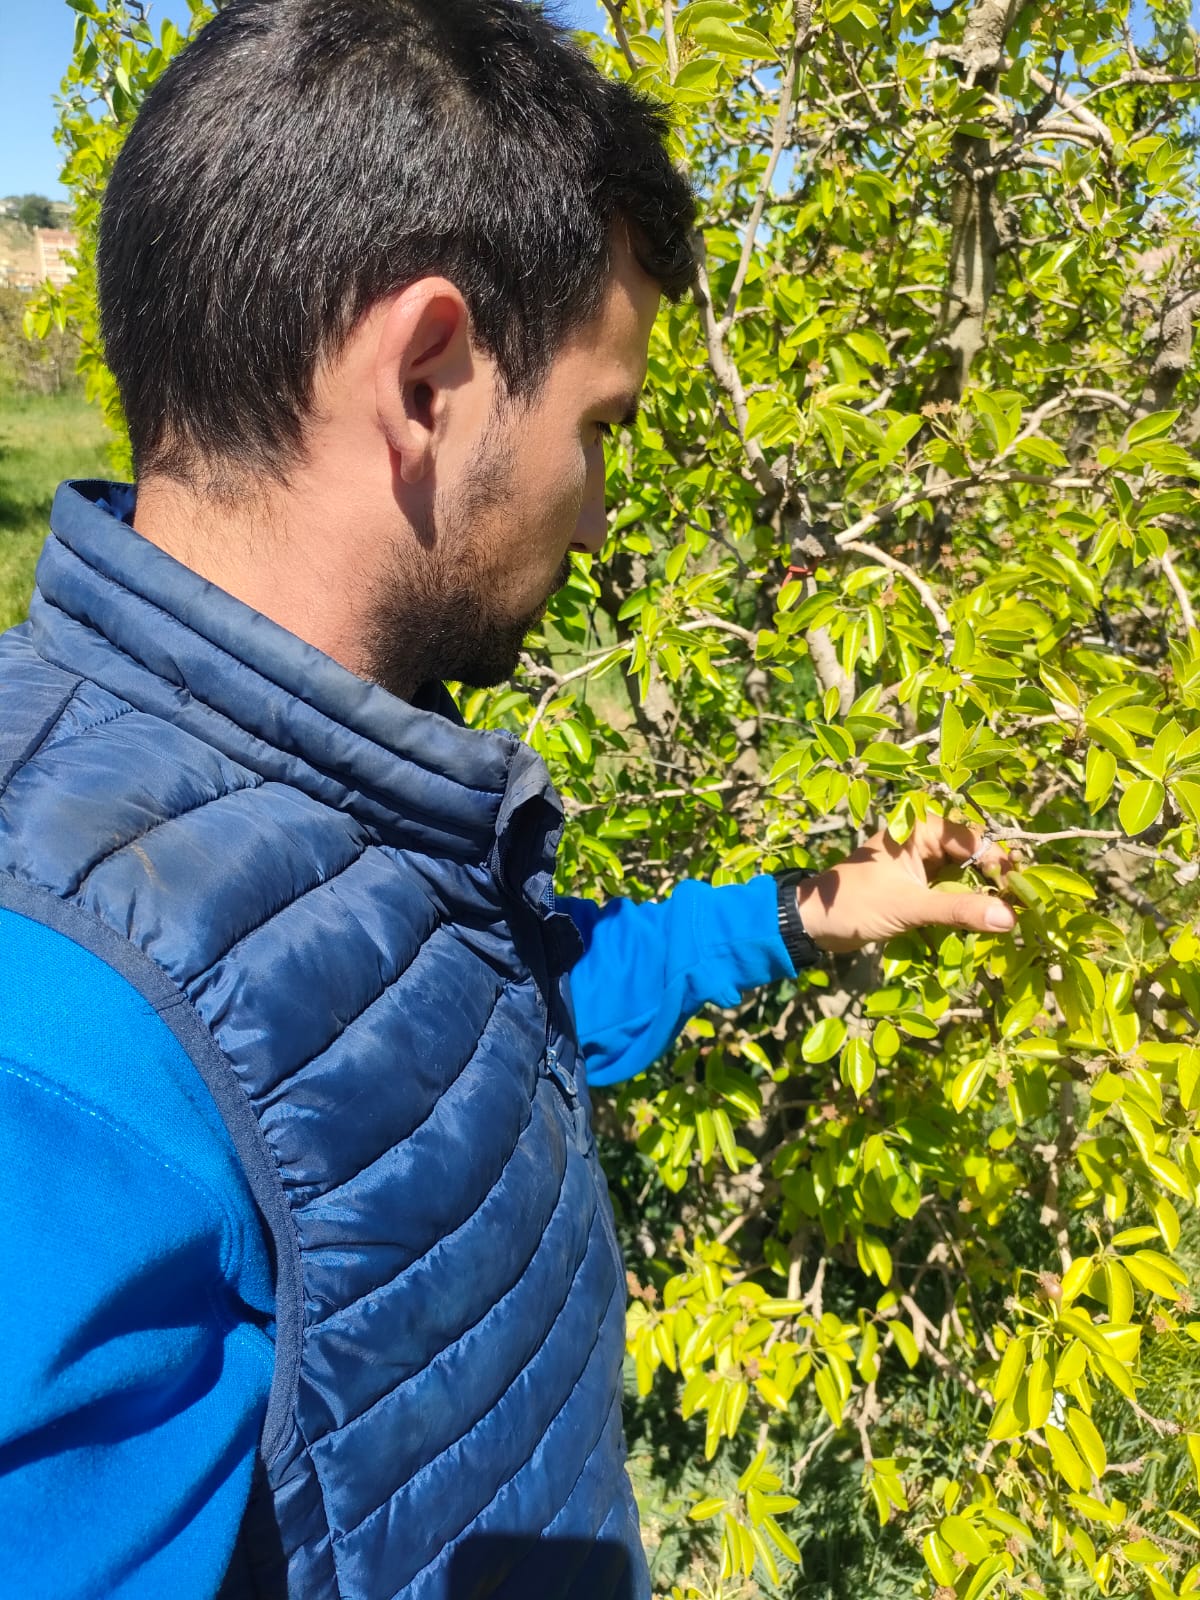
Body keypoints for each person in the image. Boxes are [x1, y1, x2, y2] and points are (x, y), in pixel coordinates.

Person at [0, 2, 1017, 1596]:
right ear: (429, 371)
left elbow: (452, 1040)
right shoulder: (53, 1035)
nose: (602, 517)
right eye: (598, 428)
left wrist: (810, 916)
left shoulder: (336, 798)